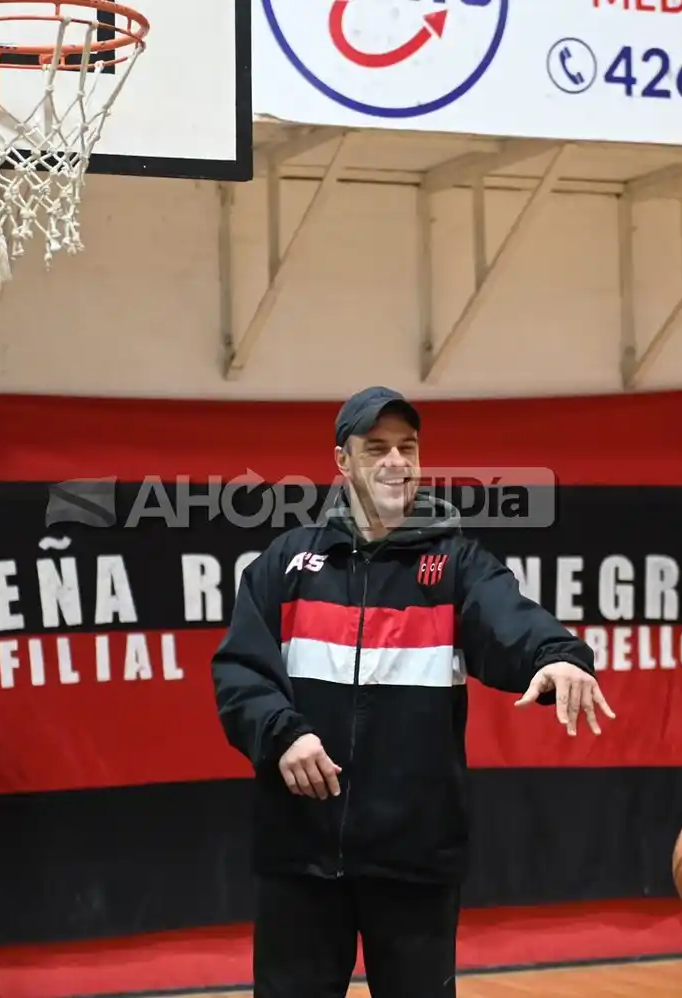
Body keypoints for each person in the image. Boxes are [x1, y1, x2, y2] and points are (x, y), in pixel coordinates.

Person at [210, 386, 615, 998]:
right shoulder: (286, 564)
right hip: (301, 854)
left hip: (415, 857)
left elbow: (510, 620)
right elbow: (240, 672)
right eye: (377, 448)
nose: (397, 461)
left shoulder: (457, 565)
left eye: (408, 447)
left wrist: (557, 656)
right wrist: (283, 734)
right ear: (343, 461)